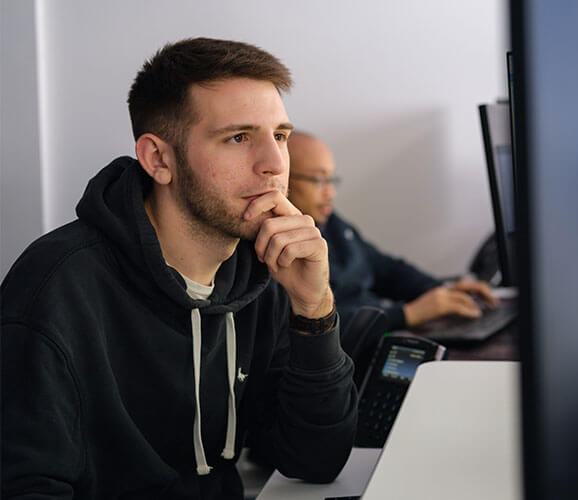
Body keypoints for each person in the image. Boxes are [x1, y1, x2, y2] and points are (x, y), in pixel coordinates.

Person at [1, 38, 356, 499]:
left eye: (280, 136)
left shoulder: (259, 274)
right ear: (159, 159)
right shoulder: (55, 289)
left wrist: (314, 307)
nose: (273, 165)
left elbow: (315, 459)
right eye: (238, 137)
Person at [285, 132, 498, 332]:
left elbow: (384, 268)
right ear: (284, 179)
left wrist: (441, 290)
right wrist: (407, 314)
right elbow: (318, 326)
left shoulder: (326, 221)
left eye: (331, 180)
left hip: (380, 328)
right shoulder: (282, 249)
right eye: (319, 180)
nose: (330, 192)